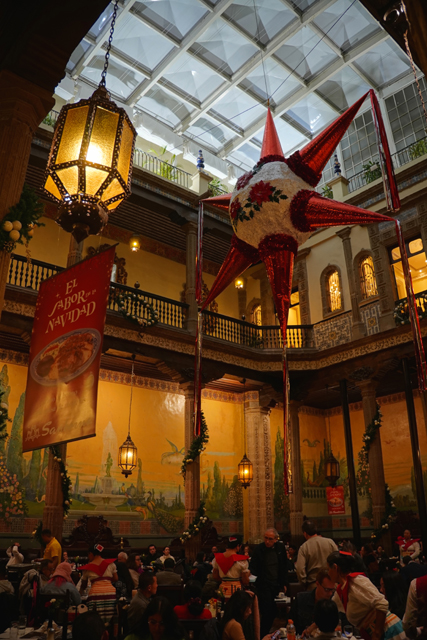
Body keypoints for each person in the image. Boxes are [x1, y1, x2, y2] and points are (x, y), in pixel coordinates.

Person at [328, 551, 389, 640]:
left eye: (328, 569)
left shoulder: (356, 581)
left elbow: (382, 603)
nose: (328, 573)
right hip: (370, 633)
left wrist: (377, 634)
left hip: (387, 630)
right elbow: (330, 609)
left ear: (335, 567)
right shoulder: (341, 589)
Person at [249, 528, 288, 636]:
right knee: (267, 611)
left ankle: (265, 633)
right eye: (266, 538)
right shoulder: (259, 549)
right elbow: (253, 567)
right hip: (263, 584)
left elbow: (283, 566)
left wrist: (284, 583)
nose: (267, 541)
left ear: (275, 539)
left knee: (274, 611)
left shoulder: (280, 548)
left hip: (276, 583)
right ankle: (262, 634)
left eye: (270, 539)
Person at [290, 568, 336, 635]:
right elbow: (289, 625)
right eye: (327, 590)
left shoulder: (335, 601)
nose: (330, 594)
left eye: (332, 590)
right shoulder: (301, 599)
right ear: (317, 584)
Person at [79, 544, 118, 625]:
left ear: (90, 554)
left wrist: (80, 592)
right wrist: (106, 580)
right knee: (111, 618)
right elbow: (116, 578)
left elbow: (84, 584)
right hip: (110, 592)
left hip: (95, 593)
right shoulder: (110, 564)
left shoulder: (88, 567)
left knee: (96, 619)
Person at [295, 521, 337, 591]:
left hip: (313, 584)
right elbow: (338, 560)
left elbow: (300, 569)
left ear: (305, 533)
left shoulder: (304, 547)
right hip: (331, 582)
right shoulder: (330, 542)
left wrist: (303, 582)